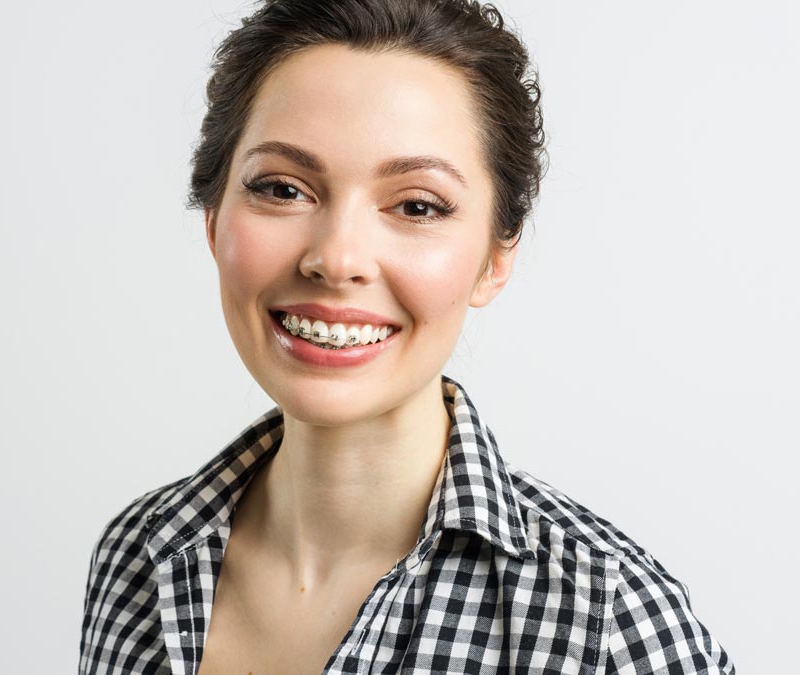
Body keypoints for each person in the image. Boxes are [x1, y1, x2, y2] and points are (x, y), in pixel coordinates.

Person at [79, 0, 736, 673]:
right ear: (214, 220)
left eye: (417, 205)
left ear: (495, 257)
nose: (336, 258)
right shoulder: (136, 556)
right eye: (283, 188)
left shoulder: (609, 622)